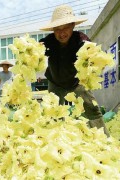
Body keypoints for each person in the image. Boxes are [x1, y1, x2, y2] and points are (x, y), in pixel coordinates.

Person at [39, 4, 109, 136]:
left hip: (77, 82)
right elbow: (38, 49)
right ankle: (54, 138)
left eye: (65, 28)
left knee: (92, 108)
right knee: (52, 111)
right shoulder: (49, 41)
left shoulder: (81, 40)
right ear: (53, 30)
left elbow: (93, 54)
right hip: (55, 82)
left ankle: (104, 138)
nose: (61, 33)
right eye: (57, 29)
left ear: (73, 26)